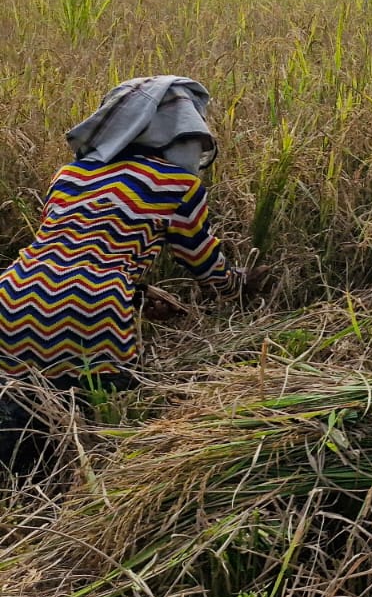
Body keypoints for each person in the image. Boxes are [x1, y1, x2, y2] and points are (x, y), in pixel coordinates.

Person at [0, 76, 258, 471]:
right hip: (92, 311)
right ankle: (74, 498)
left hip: (15, 295)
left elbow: (70, 255)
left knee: (18, 413)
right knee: (94, 419)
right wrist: (241, 284)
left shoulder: (69, 176)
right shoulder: (178, 184)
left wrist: (137, 295)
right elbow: (205, 264)